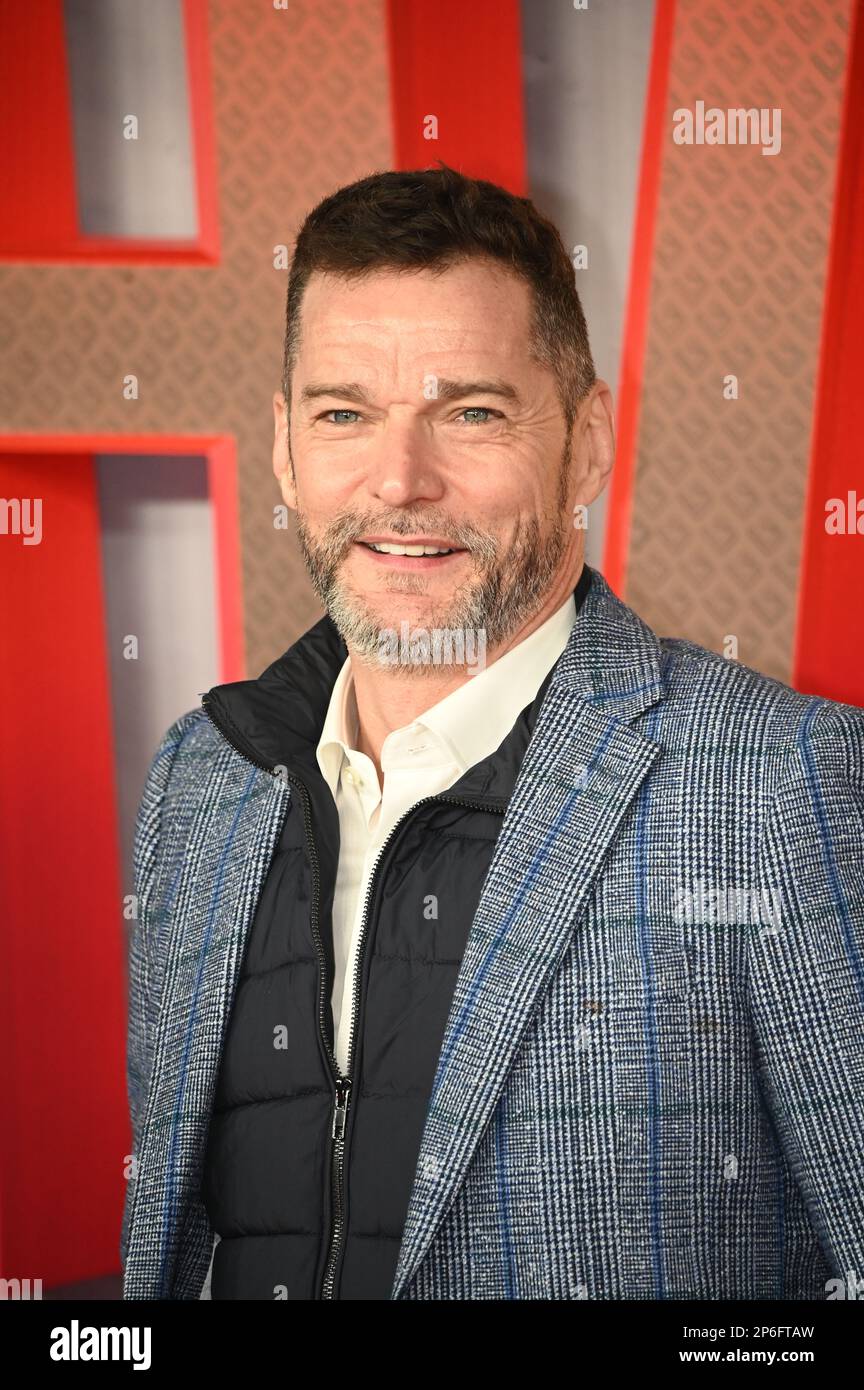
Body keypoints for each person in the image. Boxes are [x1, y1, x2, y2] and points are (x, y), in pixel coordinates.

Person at [120, 164, 864, 1301]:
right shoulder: (203, 780)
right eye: (343, 414)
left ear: (590, 441)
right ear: (283, 448)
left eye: (470, 411)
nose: (401, 480)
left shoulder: (780, 784)